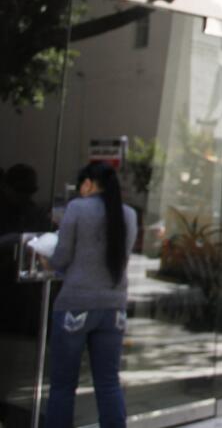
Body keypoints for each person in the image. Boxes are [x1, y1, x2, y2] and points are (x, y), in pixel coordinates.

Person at [46, 163, 137, 428]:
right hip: (114, 307)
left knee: (63, 385)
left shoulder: (77, 208)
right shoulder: (129, 215)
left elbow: (61, 258)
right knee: (108, 382)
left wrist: (46, 260)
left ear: (88, 184)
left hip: (76, 304)